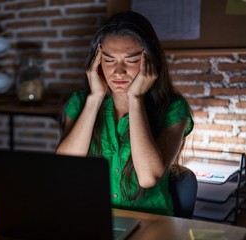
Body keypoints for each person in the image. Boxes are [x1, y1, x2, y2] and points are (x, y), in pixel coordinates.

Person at [55, 11, 194, 216]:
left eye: (131, 60)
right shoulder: (80, 102)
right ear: (97, 61)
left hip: (151, 225)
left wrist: (135, 98)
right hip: (91, 219)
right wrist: (95, 98)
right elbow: (65, 168)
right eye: (109, 60)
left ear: (151, 62)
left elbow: (148, 178)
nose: (118, 72)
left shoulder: (174, 108)